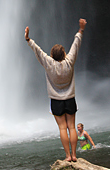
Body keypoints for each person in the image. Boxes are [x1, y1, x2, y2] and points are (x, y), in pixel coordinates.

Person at [25, 18, 87, 162]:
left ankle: (67, 156)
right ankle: (75, 156)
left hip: (56, 101)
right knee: (72, 127)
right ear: (64, 54)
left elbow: (38, 51)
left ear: (52, 55)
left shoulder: (49, 63)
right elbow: (76, 44)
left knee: (62, 128)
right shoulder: (70, 62)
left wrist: (28, 39)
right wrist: (81, 29)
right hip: (70, 99)